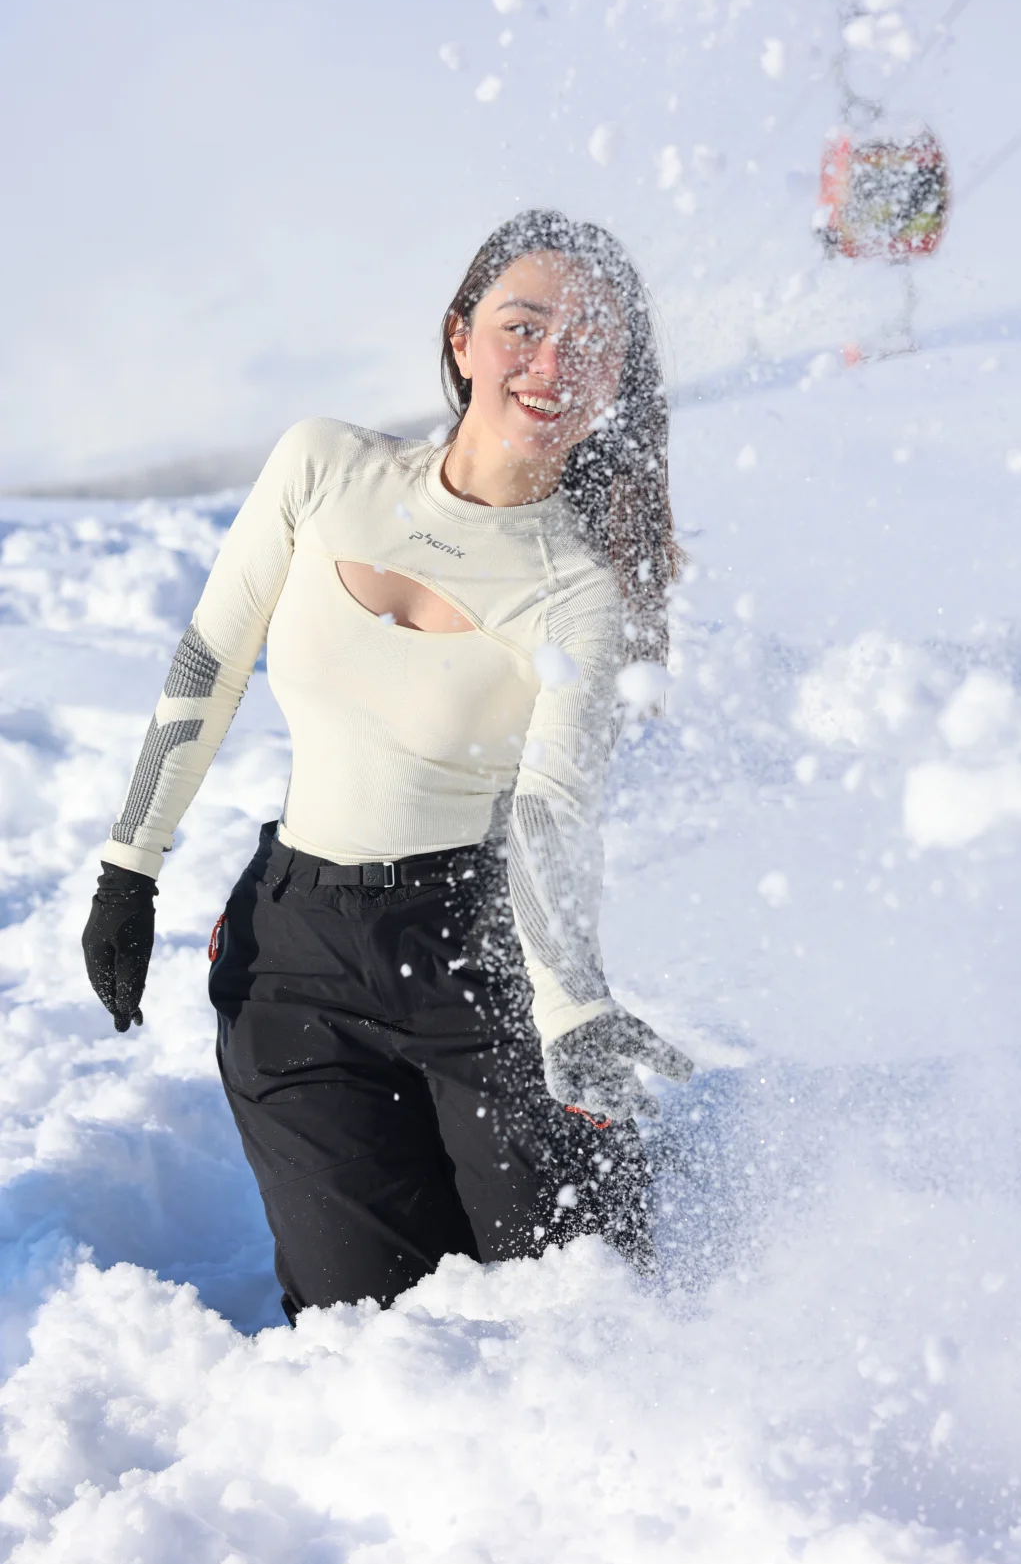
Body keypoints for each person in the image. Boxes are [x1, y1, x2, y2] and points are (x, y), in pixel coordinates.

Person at [81, 208, 694, 1321]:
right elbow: (211, 661)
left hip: (483, 957)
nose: (550, 363)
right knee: (365, 1332)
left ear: (615, 381)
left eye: (588, 343)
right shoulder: (324, 466)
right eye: (523, 325)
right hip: (295, 959)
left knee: (575, 1308)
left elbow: (554, 812)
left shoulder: (578, 591)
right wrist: (130, 867)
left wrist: (574, 1008)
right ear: (461, 336)